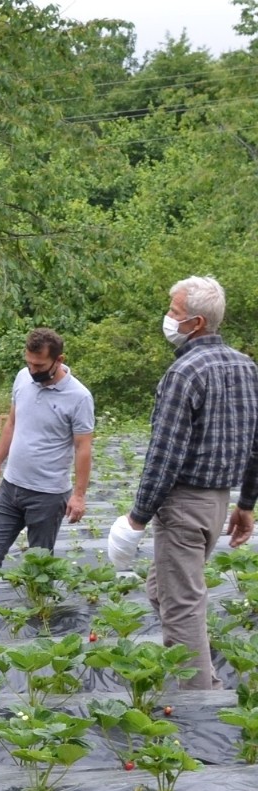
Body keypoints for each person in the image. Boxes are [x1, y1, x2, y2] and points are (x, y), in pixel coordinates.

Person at [109, 276, 258, 690]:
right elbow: (256, 445)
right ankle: (201, 673)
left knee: (182, 605)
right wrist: (245, 504)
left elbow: (165, 455)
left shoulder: (185, 372)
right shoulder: (247, 367)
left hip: (184, 505)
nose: (168, 319)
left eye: (174, 313)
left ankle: (198, 700)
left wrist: (136, 519)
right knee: (163, 587)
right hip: (216, 505)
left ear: (195, 323)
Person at [0, 329, 94, 600]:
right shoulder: (22, 378)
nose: (32, 369)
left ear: (58, 359)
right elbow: (12, 423)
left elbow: (82, 447)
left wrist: (79, 495)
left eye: (39, 365)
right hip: (11, 487)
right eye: (29, 362)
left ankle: (39, 623)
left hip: (48, 495)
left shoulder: (79, 397)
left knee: (39, 565)